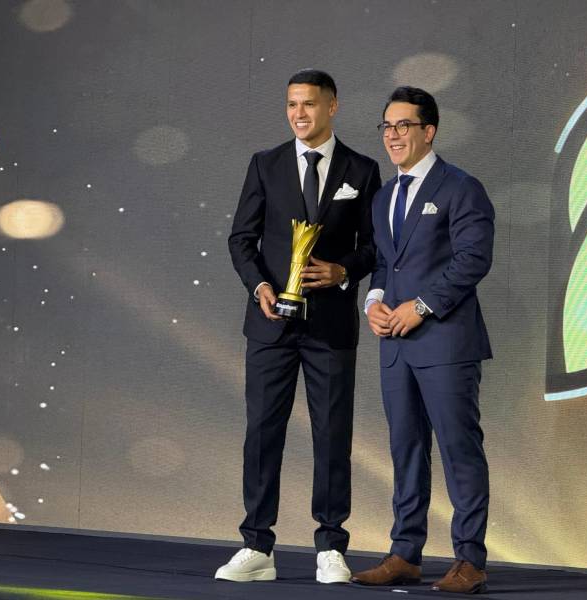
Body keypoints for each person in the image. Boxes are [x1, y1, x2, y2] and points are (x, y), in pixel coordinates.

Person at [220, 69, 381, 584]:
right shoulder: (265, 165)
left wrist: (344, 272)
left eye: (308, 104)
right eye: (292, 105)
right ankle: (257, 545)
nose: (298, 114)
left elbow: (376, 247)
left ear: (332, 106)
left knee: (333, 434)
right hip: (270, 324)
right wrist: (259, 287)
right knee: (262, 432)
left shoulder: (363, 168)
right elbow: (240, 240)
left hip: (331, 325)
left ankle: (331, 545)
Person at [351, 86, 494, 594]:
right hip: (395, 347)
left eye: (403, 126)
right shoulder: (386, 195)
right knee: (405, 450)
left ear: (428, 131)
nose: (393, 136)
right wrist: (375, 303)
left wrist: (422, 306)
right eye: (386, 127)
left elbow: (472, 260)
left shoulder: (461, 187)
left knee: (459, 451)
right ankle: (405, 553)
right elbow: (386, 265)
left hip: (446, 344)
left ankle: (470, 560)